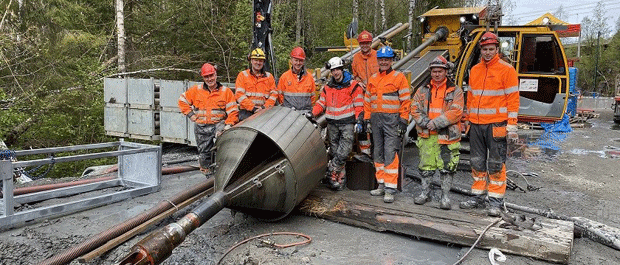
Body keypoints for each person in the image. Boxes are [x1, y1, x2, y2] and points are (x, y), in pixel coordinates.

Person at [459, 32, 520, 217]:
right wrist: (467, 119)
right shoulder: (475, 70)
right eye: (484, 49)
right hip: (476, 125)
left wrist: (512, 125)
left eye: (491, 49)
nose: (487, 52)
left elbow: (513, 99)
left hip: (496, 125)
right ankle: (477, 196)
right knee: (477, 162)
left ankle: (495, 201)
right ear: (481, 50)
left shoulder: (507, 70)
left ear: (497, 49)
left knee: (495, 163)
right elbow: (470, 97)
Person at [410, 56, 464, 210]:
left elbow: (456, 111)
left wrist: (435, 123)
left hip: (447, 137)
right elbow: (414, 107)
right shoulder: (422, 90)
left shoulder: (455, 91)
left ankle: (445, 197)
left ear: (446, 72)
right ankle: (424, 193)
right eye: (434, 71)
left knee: (447, 168)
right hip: (427, 136)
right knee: (426, 167)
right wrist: (425, 122)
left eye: (440, 71)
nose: (437, 74)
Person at [364, 46, 411, 203]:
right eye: (381, 59)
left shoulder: (399, 78)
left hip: (392, 121)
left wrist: (404, 120)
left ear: (391, 61)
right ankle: (382, 184)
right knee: (378, 152)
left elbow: (405, 101)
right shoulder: (373, 78)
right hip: (376, 120)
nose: (384, 62)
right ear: (377, 61)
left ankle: (391, 188)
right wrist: (366, 118)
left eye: (387, 59)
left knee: (390, 152)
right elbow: (367, 100)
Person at [311, 57, 364, 190]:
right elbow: (321, 103)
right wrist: (312, 114)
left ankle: (331, 171)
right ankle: (339, 181)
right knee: (335, 153)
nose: (336, 73)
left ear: (342, 69)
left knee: (343, 152)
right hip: (332, 125)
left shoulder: (353, 86)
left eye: (337, 69)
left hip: (347, 124)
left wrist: (359, 121)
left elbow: (359, 106)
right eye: (333, 70)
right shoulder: (328, 88)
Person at [178, 63, 239, 175]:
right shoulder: (196, 90)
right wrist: (190, 114)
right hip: (202, 126)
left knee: (224, 149)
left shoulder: (225, 92)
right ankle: (207, 175)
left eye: (211, 75)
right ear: (203, 77)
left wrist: (228, 125)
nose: (209, 79)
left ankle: (223, 173)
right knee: (204, 153)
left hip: (219, 125)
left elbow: (233, 111)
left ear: (216, 75)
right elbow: (182, 100)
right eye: (206, 76)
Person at [351, 30, 378, 161]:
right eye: (362, 43)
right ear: (359, 44)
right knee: (361, 121)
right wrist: (358, 82)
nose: (365, 46)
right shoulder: (356, 58)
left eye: (367, 43)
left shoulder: (377, 56)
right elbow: (354, 75)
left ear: (371, 43)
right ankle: (365, 153)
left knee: (375, 122)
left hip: (376, 95)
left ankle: (377, 152)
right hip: (362, 95)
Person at [235, 48, 278, 121]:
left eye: (260, 61)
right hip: (246, 112)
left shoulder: (269, 77)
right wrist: (253, 108)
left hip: (264, 112)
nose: (258, 63)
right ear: (251, 61)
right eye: (256, 60)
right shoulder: (242, 75)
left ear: (263, 62)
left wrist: (264, 108)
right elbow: (239, 95)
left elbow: (273, 96)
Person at [277, 47, 316, 112]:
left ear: (303, 62)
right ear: (291, 61)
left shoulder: (309, 77)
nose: (298, 63)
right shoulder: (284, 77)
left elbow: (313, 98)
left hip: (305, 115)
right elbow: (280, 97)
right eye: (296, 60)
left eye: (300, 60)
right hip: (289, 114)